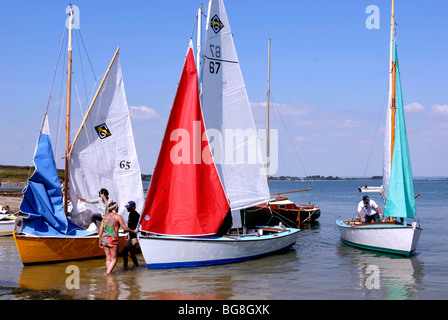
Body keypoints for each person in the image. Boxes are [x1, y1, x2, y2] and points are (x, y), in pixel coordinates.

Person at [98, 202, 138, 274]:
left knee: (108, 259)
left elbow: (100, 229)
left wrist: (99, 240)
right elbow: (125, 228)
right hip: (112, 240)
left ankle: (109, 273)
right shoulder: (117, 217)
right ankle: (107, 274)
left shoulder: (105, 217)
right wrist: (134, 231)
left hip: (104, 239)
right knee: (114, 259)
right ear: (115, 208)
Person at [122, 200, 140, 269]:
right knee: (131, 253)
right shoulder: (131, 214)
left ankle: (125, 267)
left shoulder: (136, 215)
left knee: (125, 252)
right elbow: (131, 226)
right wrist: (128, 234)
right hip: (131, 236)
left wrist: (131, 232)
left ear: (133, 207)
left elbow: (136, 227)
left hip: (134, 237)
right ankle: (136, 266)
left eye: (129, 207)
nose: (127, 208)